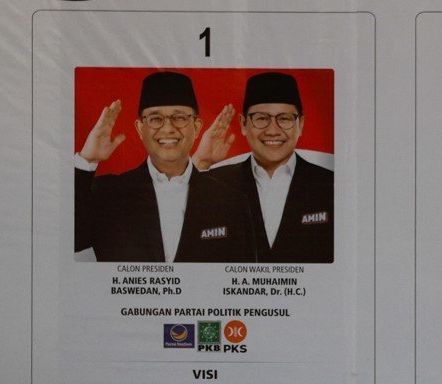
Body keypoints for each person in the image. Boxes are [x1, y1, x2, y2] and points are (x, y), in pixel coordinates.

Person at [74, 71, 255, 263]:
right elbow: (70, 239)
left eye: (179, 117)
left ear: (197, 127)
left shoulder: (230, 200)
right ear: (140, 129)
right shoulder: (105, 194)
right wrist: (88, 159)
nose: (168, 128)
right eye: (155, 119)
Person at [196, 72, 334, 263]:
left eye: (284, 118)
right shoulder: (214, 182)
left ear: (300, 125)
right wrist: (200, 163)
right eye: (261, 118)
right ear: (243, 124)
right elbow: (176, 239)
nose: (272, 130)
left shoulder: (331, 185)